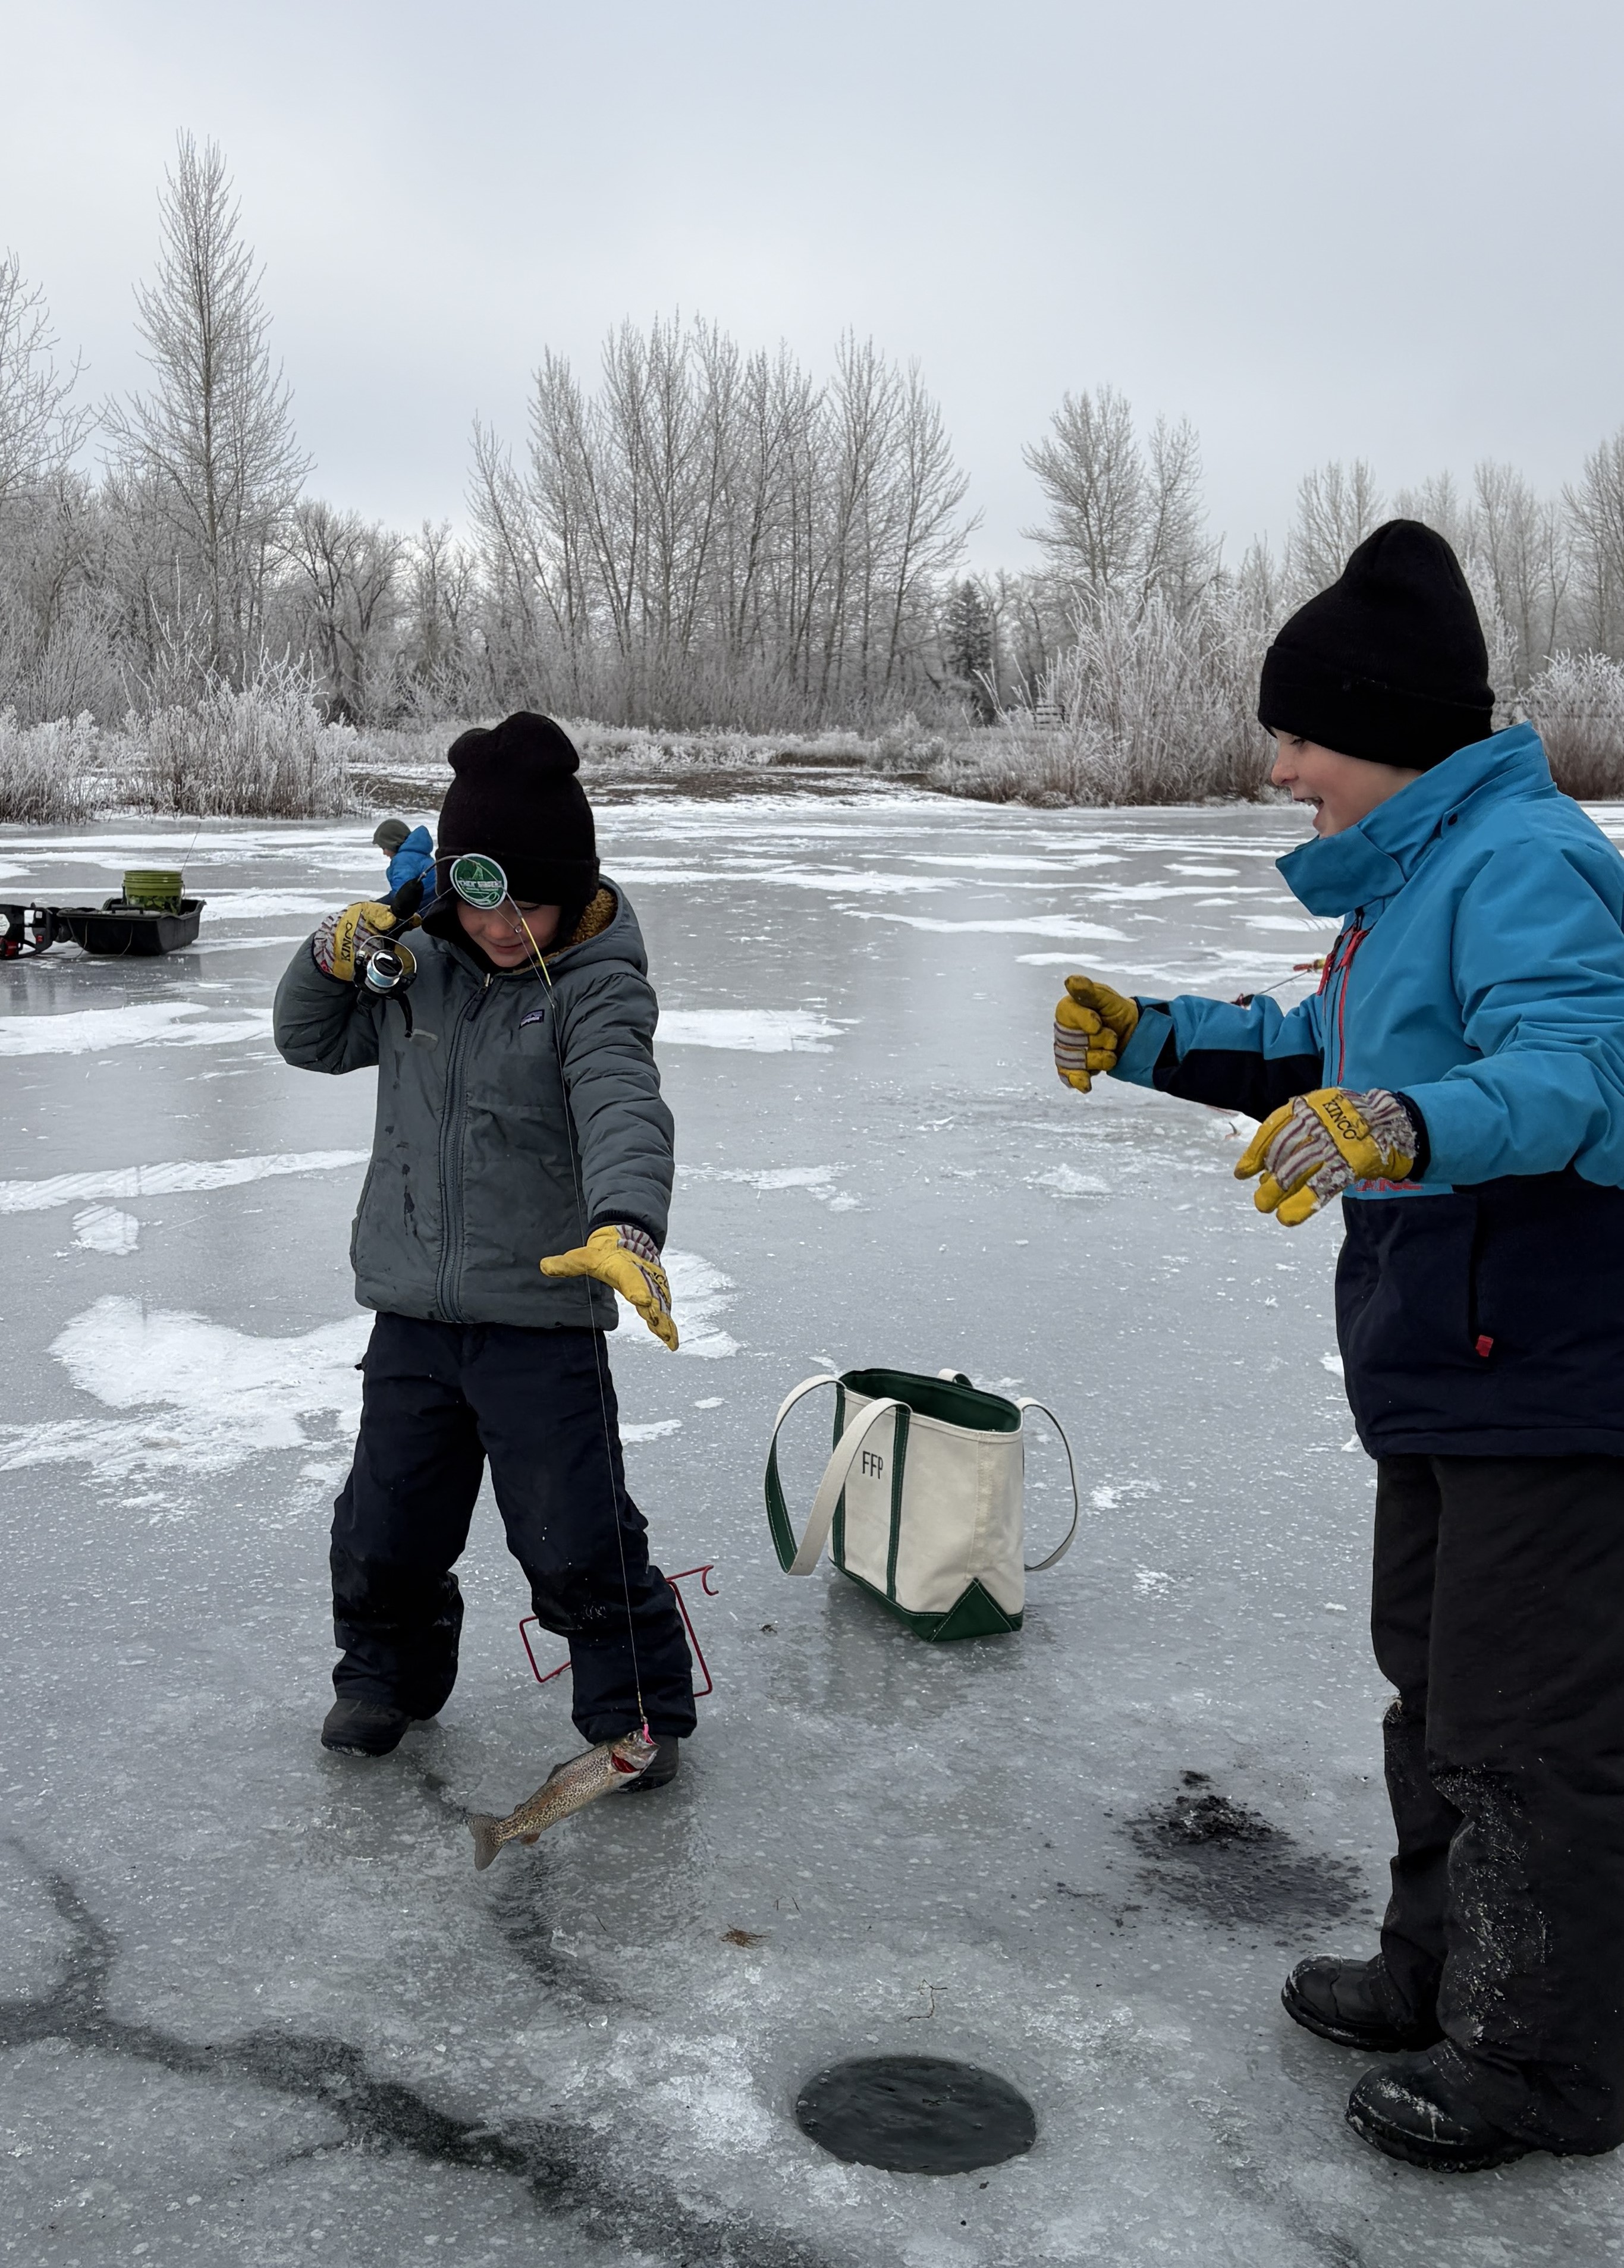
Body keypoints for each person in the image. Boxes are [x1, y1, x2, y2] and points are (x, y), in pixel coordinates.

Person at [1053, 521, 1624, 2172]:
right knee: (1437, 1686)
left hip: (1555, 1363)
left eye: (1298, 736)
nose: (1281, 765)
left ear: (1382, 732)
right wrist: (1157, 1037)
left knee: (1531, 1724)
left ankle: (1547, 2058)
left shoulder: (1521, 861)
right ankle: (1439, 1968)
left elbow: (1587, 1074)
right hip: (1448, 1362)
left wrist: (1403, 1122)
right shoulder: (1415, 876)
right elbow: (1325, 1042)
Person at [274, 711, 696, 1786]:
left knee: (573, 1533)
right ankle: (384, 1676)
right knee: (386, 1523)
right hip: (413, 1307)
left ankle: (635, 1705)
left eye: (530, 900)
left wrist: (625, 1226)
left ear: (571, 889)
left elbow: (622, 1103)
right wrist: (337, 952)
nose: (503, 925)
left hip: (541, 1315)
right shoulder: (413, 963)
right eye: (479, 895)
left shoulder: (595, 985)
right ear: (446, 883)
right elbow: (310, 1039)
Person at [372, 815, 436, 892]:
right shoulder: (416, 854)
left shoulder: (404, 860)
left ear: (393, 843)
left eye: (384, 848)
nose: (384, 853)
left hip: (422, 902)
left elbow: (402, 895)